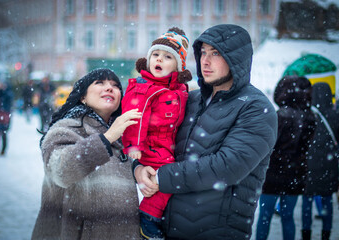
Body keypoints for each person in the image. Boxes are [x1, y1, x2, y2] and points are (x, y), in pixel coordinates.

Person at [134, 24, 278, 239]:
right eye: (203, 52)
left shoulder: (256, 108)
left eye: (216, 53)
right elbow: (155, 137)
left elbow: (227, 167)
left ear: (236, 59)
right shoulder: (190, 99)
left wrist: (161, 178)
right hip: (165, 229)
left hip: (215, 231)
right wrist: (138, 167)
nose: (205, 61)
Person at [31, 68, 142, 240]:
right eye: (100, 83)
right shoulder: (65, 128)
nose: (109, 88)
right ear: (83, 97)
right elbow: (61, 171)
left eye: (115, 85)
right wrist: (107, 138)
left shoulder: (125, 138)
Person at [121, 27, 191, 239]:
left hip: (166, 145)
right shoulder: (145, 87)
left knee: (170, 178)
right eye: (156, 55)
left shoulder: (179, 89)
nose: (159, 60)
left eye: (167, 57)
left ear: (177, 67)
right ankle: (148, 217)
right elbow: (135, 118)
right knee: (169, 178)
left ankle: (152, 215)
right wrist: (134, 146)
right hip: (149, 147)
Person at [256, 76, 316, 240]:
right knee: (288, 216)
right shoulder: (310, 116)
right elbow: (307, 146)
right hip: (296, 174)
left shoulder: (280, 115)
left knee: (265, 216)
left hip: (273, 173)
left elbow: (268, 145)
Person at [301, 82, 339, 240]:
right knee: (327, 200)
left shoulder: (307, 114)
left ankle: (306, 234)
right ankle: (326, 234)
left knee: (307, 202)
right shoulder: (335, 115)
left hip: (308, 166)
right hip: (329, 167)